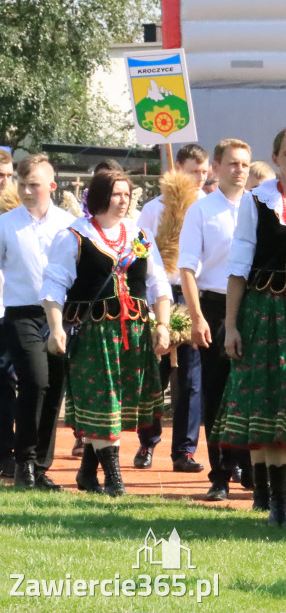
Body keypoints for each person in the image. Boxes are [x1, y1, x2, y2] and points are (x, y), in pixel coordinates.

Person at [212, 127, 286, 527]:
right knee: (269, 400)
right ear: (275, 159)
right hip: (264, 313)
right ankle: (274, 502)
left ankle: (281, 495)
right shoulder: (257, 201)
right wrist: (230, 327)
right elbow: (239, 268)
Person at [42, 169, 172, 496]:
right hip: (93, 335)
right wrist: (56, 327)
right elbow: (54, 285)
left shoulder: (139, 236)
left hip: (134, 333)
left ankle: (87, 473)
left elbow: (157, 283)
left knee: (118, 402)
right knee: (103, 403)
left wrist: (163, 324)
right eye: (116, 194)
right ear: (99, 196)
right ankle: (114, 480)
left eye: (127, 194)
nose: (123, 200)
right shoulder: (74, 235)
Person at [177, 139, 253, 502]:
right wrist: (196, 317)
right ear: (217, 168)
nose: (240, 170)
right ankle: (220, 474)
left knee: (252, 390)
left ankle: (252, 469)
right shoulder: (201, 211)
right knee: (217, 392)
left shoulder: (258, 207)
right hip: (214, 305)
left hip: (254, 307)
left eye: (245, 164)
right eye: (233, 164)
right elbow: (188, 268)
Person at [133, 144, 209, 474]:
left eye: (205, 171)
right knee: (157, 373)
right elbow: (140, 252)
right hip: (160, 297)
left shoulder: (207, 207)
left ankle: (185, 451)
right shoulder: (153, 209)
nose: (200, 177)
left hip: (192, 295)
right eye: (194, 170)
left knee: (191, 377)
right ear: (178, 168)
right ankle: (147, 441)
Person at [0, 155, 74, 490]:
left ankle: (41, 466)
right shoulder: (5, 224)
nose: (27, 191)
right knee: (35, 381)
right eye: (23, 184)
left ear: (52, 187)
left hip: (59, 315)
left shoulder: (69, 224)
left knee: (54, 386)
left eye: (35, 185)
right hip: (20, 313)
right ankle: (24, 463)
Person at [0, 147, 17, 479]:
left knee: (4, 382)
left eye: (6, 175)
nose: (3, 181)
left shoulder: (18, 214)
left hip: (8, 309)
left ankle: (6, 453)